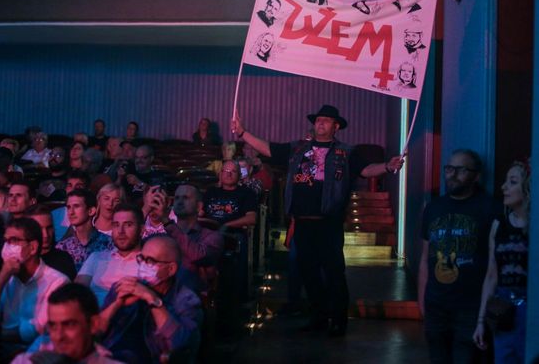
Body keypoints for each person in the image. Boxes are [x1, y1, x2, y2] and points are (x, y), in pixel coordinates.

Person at [231, 104, 404, 336]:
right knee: (308, 273)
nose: (320, 123)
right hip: (303, 222)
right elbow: (270, 148)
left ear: (336, 126)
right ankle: (319, 318)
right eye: (318, 119)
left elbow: (366, 169)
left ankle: (338, 321)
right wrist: (243, 133)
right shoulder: (298, 148)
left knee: (333, 272)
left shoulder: (346, 152)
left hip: (328, 222)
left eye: (326, 120)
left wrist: (387, 166)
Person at [418, 149, 501, 363]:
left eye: (461, 170)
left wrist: (483, 313)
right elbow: (425, 258)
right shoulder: (434, 208)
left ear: (476, 175)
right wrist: (422, 302)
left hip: (470, 306)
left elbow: (493, 264)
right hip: (436, 305)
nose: (452, 174)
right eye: (449, 169)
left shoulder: (489, 208)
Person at [99, 236, 202, 363]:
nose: (142, 265)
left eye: (150, 261)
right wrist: (117, 304)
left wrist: (153, 299)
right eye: (141, 258)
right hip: (108, 356)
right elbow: (95, 331)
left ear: (171, 269)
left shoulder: (187, 300)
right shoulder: (126, 287)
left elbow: (181, 345)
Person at [473, 161, 530, 363]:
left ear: (528, 188)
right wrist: (481, 321)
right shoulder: (499, 224)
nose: (504, 187)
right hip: (504, 308)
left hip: (531, 306)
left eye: (512, 182)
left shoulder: (534, 226)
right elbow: (491, 275)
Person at [0, 218, 69, 359]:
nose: (7, 247)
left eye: (14, 241)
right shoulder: (7, 277)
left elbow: (38, 328)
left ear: (32, 247)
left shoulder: (57, 282)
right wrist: (3, 277)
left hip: (34, 350)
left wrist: (1, 335)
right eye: (6, 241)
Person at [12, 283, 123, 364]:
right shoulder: (26, 361)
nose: (58, 336)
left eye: (69, 325)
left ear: (93, 324)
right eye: (53, 326)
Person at [77, 204, 143, 307]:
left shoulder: (149, 262)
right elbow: (76, 292)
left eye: (128, 225)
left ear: (142, 230)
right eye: (116, 225)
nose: (121, 231)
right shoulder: (96, 257)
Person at [161, 184, 224, 294]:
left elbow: (199, 256)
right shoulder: (165, 235)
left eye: (185, 198)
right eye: (177, 198)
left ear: (199, 206)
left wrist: (167, 223)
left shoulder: (212, 236)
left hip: (192, 296)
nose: (180, 201)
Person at [56, 189, 114, 271]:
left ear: (91, 211)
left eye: (76, 206)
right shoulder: (62, 248)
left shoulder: (110, 244)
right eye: (68, 207)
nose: (71, 212)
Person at [24, 205, 77, 280]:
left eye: (49, 228)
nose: (46, 235)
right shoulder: (20, 261)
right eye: (39, 229)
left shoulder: (64, 259)